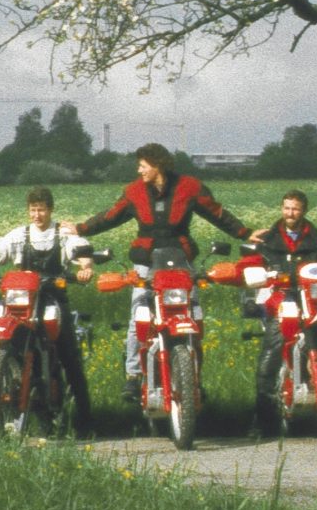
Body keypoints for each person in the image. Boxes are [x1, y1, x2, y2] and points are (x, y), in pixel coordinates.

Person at [75, 143, 250, 399]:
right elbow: (110, 216)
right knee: (138, 317)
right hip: (146, 262)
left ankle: (194, 378)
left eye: (143, 166)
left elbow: (217, 213)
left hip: (180, 260)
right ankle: (133, 375)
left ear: (157, 165)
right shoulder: (134, 191)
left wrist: (245, 233)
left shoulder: (189, 187)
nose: (139, 171)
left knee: (192, 315)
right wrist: (81, 228)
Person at [0, 185, 96, 425]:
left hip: (52, 297)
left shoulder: (62, 234)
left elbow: (80, 249)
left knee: (69, 355)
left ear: (51, 210)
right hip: (22, 300)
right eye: (33, 210)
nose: (37, 215)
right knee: (10, 339)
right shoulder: (20, 235)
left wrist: (85, 268)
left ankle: (85, 417)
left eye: (41, 209)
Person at [246, 191, 317, 432]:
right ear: (281, 208)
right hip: (280, 297)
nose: (290, 213)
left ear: (304, 210)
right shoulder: (267, 240)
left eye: (295, 209)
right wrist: (257, 276)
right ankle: (263, 417)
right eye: (286, 208)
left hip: (315, 298)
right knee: (273, 347)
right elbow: (250, 265)